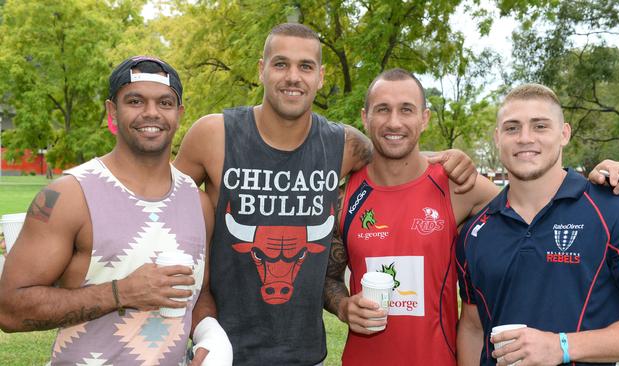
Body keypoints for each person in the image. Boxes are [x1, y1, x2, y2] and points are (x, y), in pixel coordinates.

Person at [173, 23, 477, 365]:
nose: (293, 77)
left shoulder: (343, 146)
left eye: (305, 66)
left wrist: (450, 158)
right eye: (280, 64)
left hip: (305, 355)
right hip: (221, 352)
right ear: (261, 70)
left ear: (320, 76)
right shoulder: (214, 135)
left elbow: (399, 154)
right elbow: (161, 210)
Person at [323, 71, 619, 365]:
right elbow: (326, 277)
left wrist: (610, 174)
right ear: (365, 117)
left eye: (406, 109)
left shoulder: (458, 185)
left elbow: (533, 200)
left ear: (424, 119)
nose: (394, 121)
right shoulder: (344, 196)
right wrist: (343, 306)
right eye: (382, 109)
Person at [0, 56, 226, 365]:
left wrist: (211, 336)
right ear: (112, 112)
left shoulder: (199, 205)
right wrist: (120, 294)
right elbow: (9, 310)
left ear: (179, 114)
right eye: (135, 101)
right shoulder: (69, 195)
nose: (151, 112)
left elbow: (199, 296)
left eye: (164, 103)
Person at [456, 83, 619, 366]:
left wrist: (562, 346)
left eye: (540, 126)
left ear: (564, 133)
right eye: (512, 128)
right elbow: (473, 328)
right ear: (497, 138)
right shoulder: (475, 232)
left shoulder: (615, 211)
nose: (525, 138)